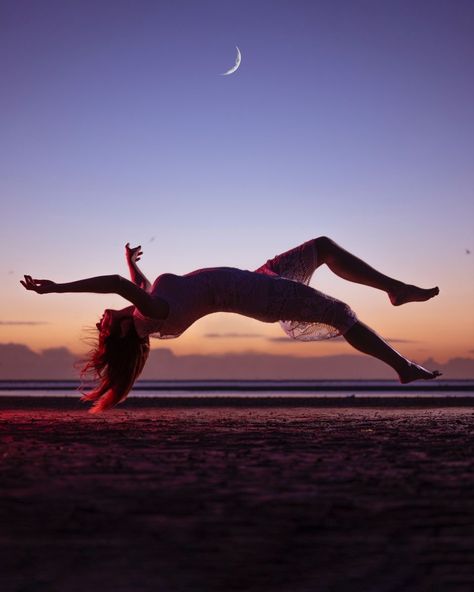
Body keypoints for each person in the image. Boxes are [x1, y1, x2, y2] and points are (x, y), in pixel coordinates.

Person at [21, 237, 441, 412]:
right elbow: (119, 288)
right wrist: (55, 288)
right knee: (342, 315)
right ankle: (401, 367)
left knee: (323, 247)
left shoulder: (147, 314)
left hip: (259, 278)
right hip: (261, 295)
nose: (100, 321)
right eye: (102, 326)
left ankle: (395, 289)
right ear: (120, 331)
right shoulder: (150, 315)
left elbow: (134, 286)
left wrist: (130, 264)